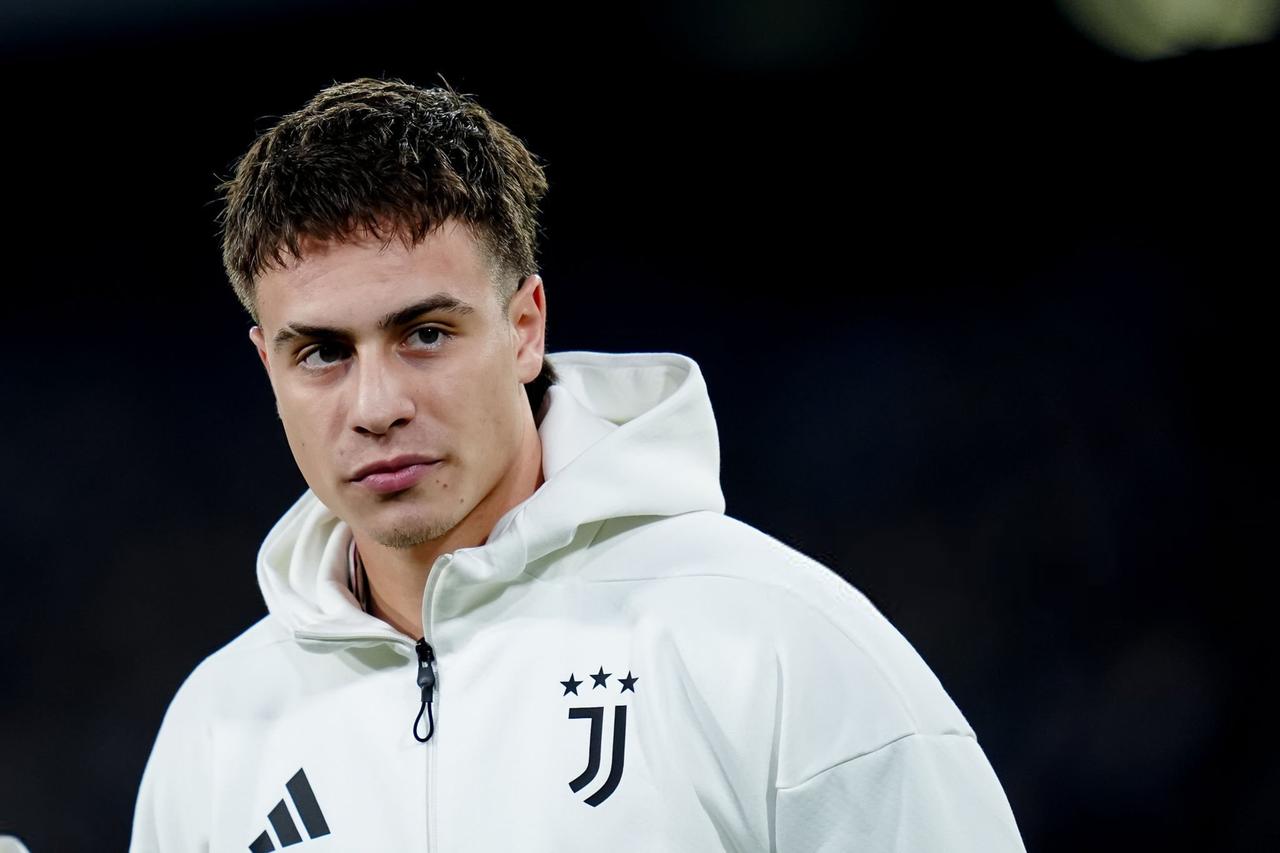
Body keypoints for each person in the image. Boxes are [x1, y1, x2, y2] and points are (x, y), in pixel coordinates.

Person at [130, 77, 1025, 852]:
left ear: (526, 327)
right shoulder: (215, 733)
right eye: (322, 352)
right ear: (268, 367)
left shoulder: (774, 645)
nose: (376, 405)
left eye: (426, 334)